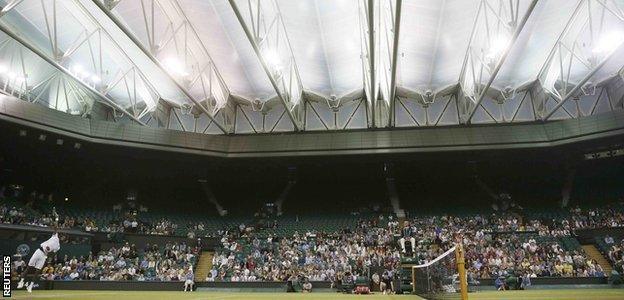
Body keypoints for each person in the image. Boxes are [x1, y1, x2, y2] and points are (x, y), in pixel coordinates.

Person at [17, 224, 60, 293]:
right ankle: (21, 281)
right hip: (39, 251)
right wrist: (56, 225)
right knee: (29, 267)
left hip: (44, 256)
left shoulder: (58, 247)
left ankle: (30, 286)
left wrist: (48, 251)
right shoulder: (55, 236)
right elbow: (55, 229)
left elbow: (52, 254)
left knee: (37, 271)